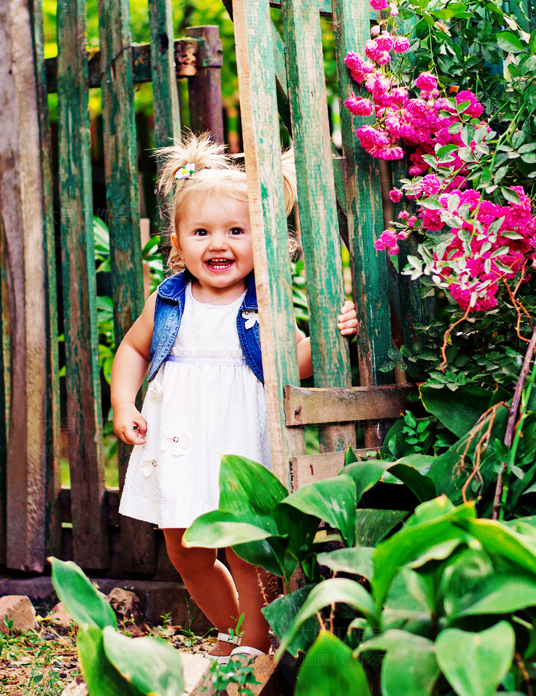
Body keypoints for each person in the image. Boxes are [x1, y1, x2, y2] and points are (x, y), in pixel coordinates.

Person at [111, 133, 358, 662]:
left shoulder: (262, 302)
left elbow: (295, 360)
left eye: (236, 231)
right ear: (177, 243)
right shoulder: (170, 299)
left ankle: (253, 645)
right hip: (179, 437)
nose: (218, 244)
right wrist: (123, 402)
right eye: (201, 232)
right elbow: (132, 349)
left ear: (264, 241)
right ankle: (233, 628)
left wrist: (335, 333)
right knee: (184, 549)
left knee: (243, 545)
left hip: (237, 436)